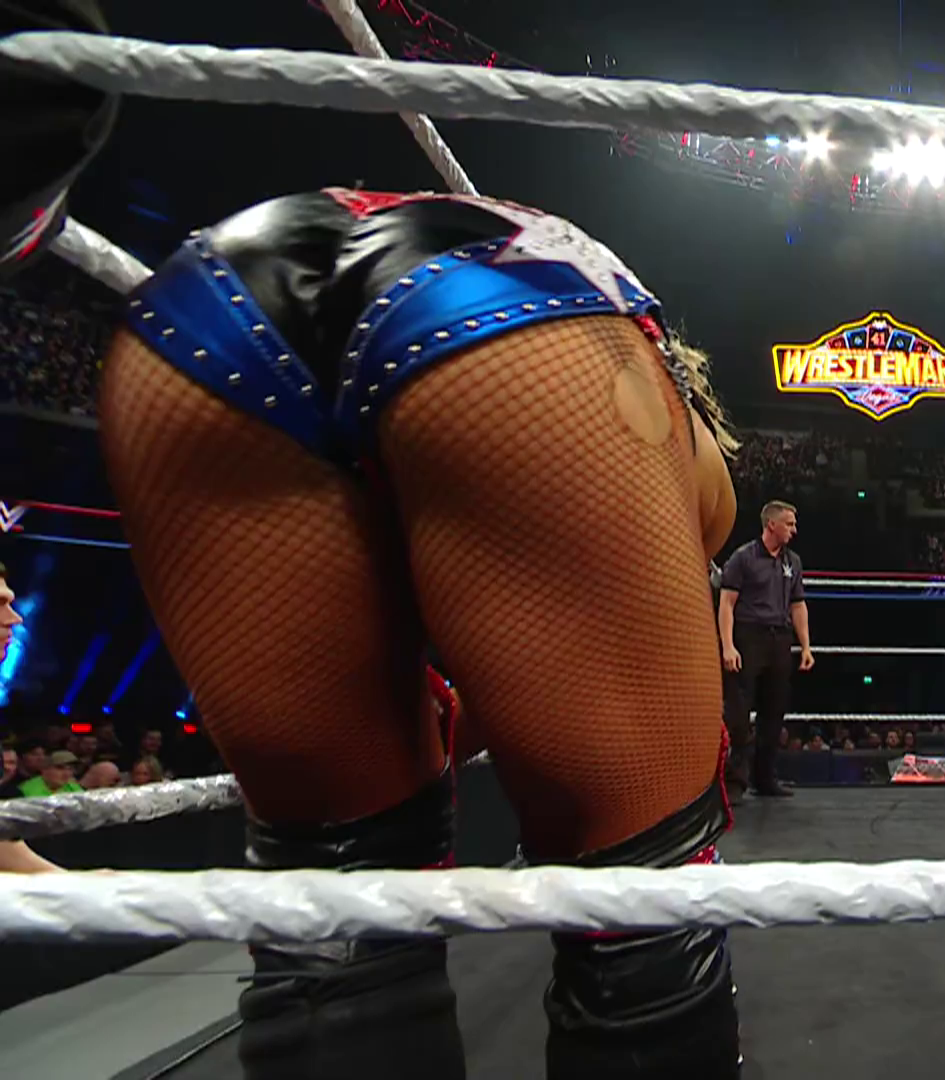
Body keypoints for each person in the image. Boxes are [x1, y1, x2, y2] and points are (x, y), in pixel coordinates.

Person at [4, 15, 749, 1068]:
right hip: (515, 316)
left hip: (214, 289)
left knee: (334, 910)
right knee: (642, 910)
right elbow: (562, 657)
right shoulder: (702, 478)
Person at [717, 500, 813, 798]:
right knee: (738, 713)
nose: (794, 530)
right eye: (789, 524)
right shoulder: (743, 557)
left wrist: (806, 646)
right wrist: (728, 645)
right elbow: (726, 603)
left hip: (780, 638)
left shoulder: (792, 561)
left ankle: (764, 778)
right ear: (772, 524)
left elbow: (798, 605)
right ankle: (734, 782)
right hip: (748, 636)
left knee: (774, 710)